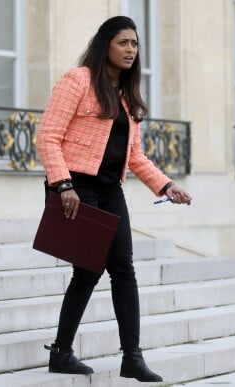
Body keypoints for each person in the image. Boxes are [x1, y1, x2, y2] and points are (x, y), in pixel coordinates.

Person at [36, 15, 192, 382]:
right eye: (123, 42)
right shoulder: (77, 81)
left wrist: (167, 186)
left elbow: (135, 155)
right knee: (88, 270)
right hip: (77, 186)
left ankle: (131, 358)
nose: (130, 50)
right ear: (105, 43)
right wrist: (63, 184)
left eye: (135, 44)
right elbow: (48, 136)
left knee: (123, 267)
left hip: (109, 188)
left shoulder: (126, 95)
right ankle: (61, 352)